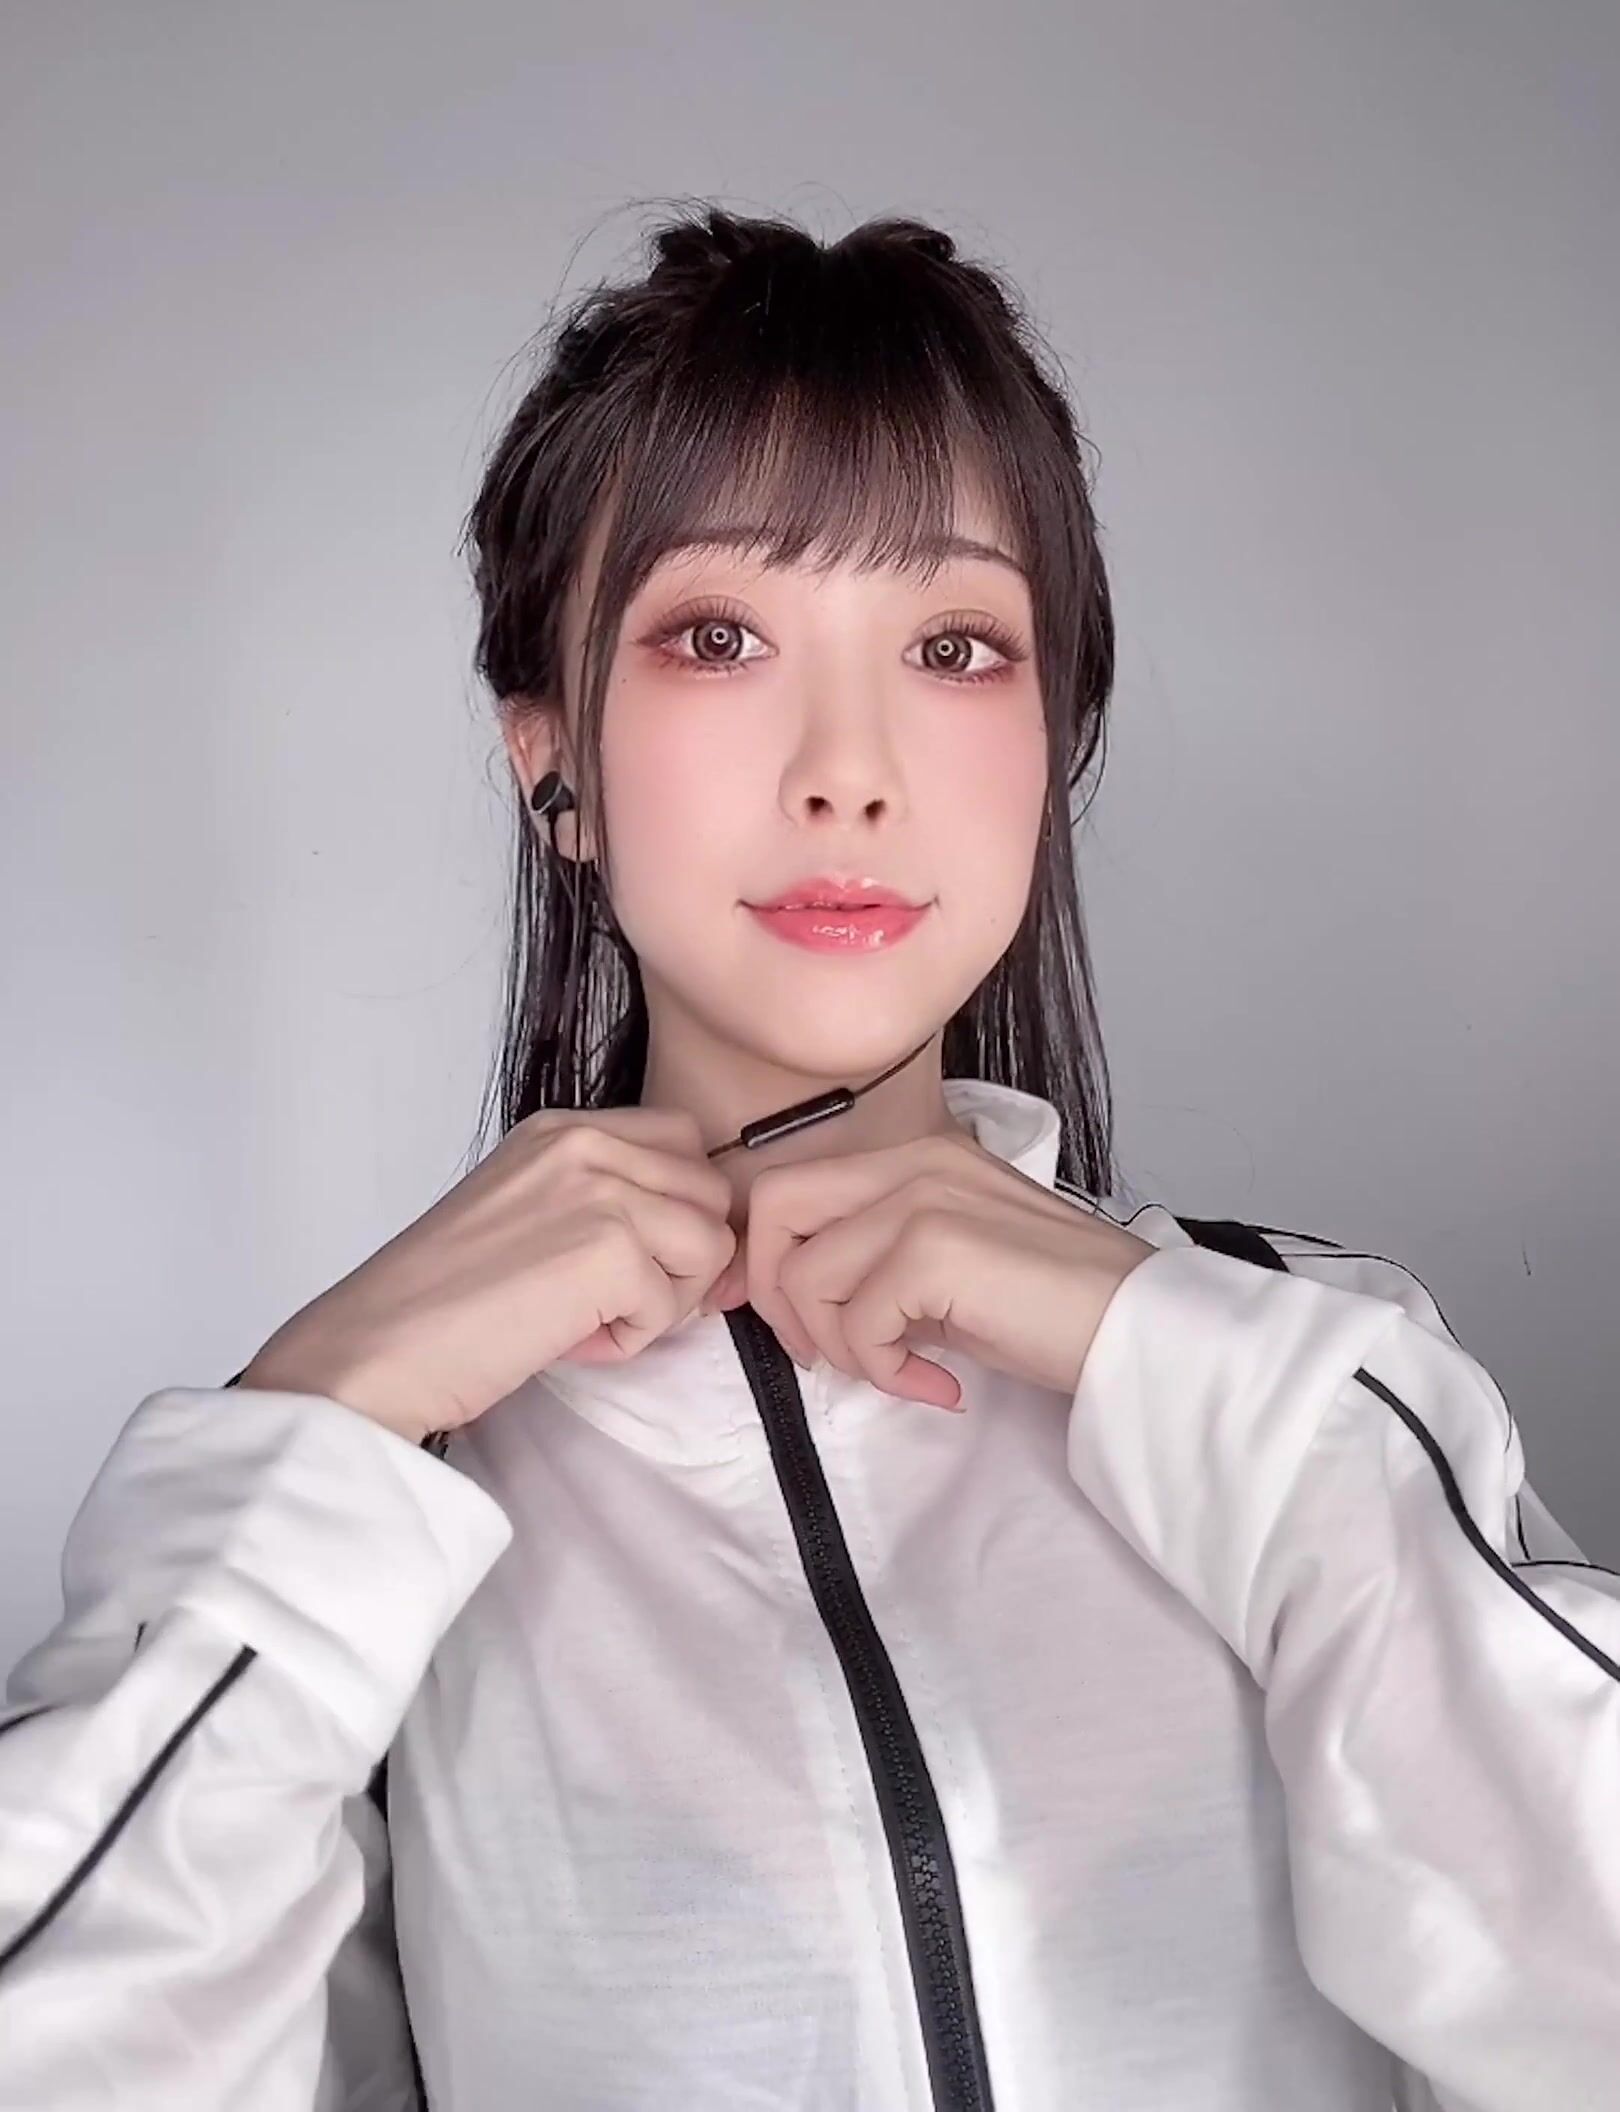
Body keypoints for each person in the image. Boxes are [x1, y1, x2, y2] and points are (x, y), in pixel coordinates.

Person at [1, 203, 1615, 2112]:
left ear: (1053, 742)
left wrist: (1196, 1362)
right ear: (551, 760)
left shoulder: (1310, 1369)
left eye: (954, 645)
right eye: (718, 637)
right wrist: (316, 1427)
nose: (849, 766)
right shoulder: (378, 1512)